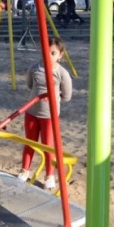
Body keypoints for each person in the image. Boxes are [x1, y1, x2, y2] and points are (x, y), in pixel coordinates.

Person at [17, 38, 73, 190]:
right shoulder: (34, 68)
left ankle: (49, 175)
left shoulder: (61, 73)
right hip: (32, 112)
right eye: (45, 52)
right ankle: (24, 170)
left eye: (53, 53)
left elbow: (67, 96)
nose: (48, 55)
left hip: (49, 116)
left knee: (48, 146)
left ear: (60, 55)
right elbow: (30, 85)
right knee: (30, 142)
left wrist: (54, 98)